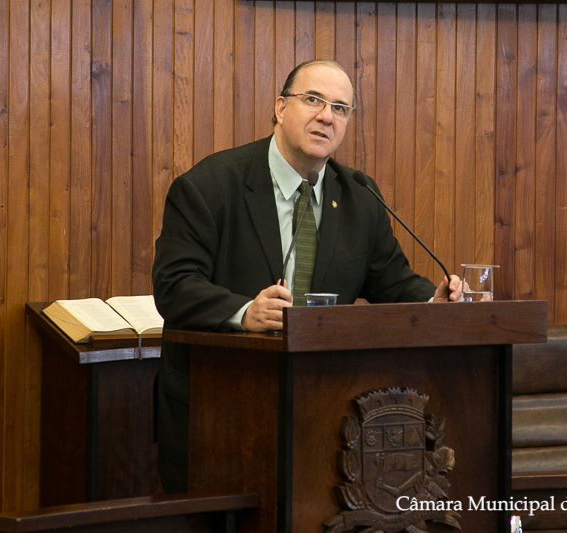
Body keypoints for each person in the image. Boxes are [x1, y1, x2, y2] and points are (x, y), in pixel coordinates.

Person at [152, 59, 463, 492]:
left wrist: (434, 301)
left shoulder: (359, 195)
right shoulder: (210, 185)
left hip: (322, 412)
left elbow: (392, 281)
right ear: (281, 108)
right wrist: (244, 312)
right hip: (218, 409)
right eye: (313, 100)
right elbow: (174, 285)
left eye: (340, 108)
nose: (326, 116)